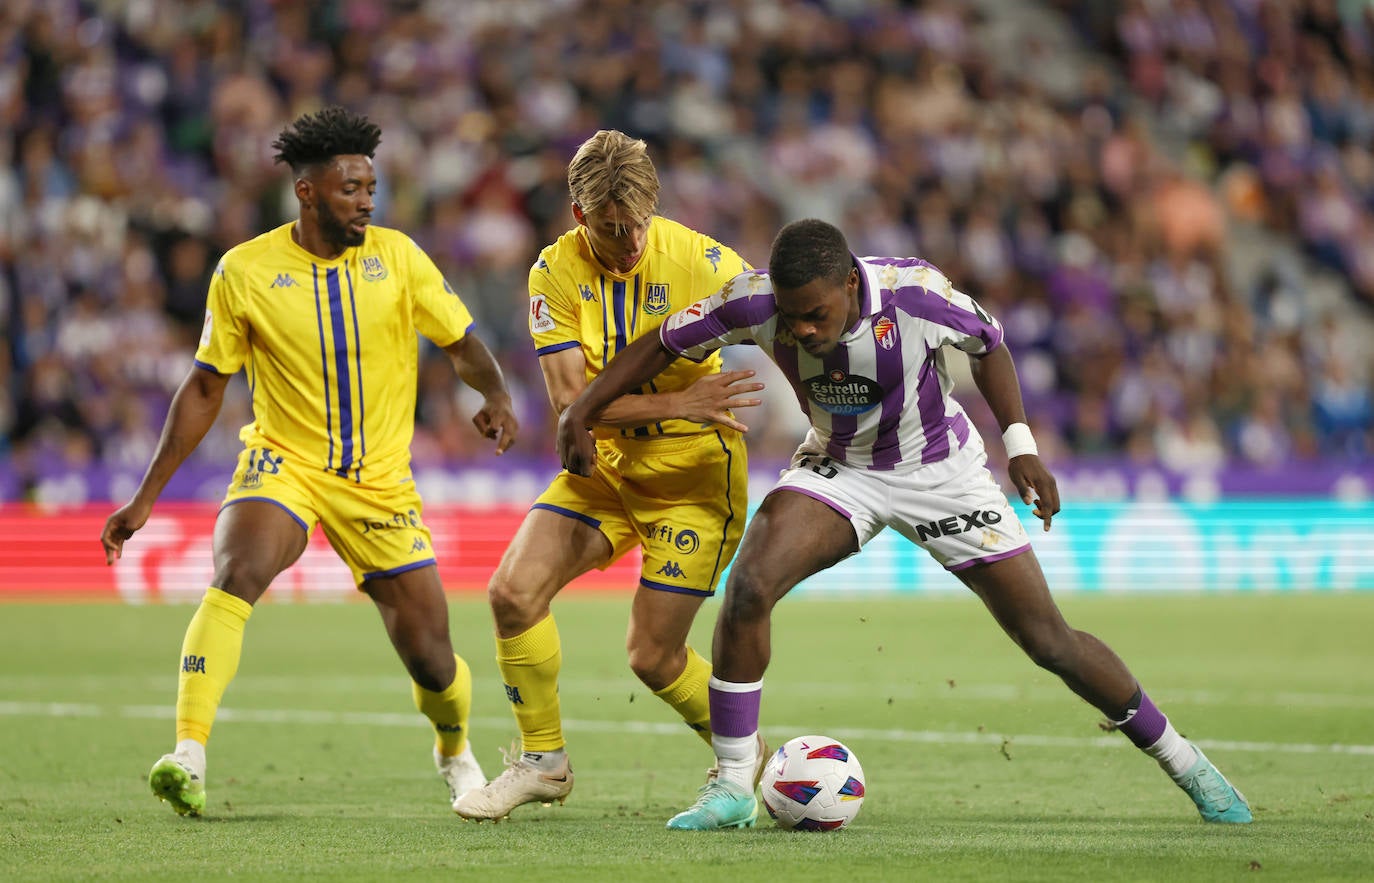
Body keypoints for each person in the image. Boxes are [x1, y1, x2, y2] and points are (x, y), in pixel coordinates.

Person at [557, 218, 1252, 829]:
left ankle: (1188, 763)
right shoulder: (754, 300)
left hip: (941, 474)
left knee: (1049, 641)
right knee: (749, 589)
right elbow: (659, 344)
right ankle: (736, 782)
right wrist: (582, 408)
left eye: (815, 315)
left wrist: (1022, 448)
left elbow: (991, 346)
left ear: (851, 288)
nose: (800, 329)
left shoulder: (915, 293)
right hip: (840, 468)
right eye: (792, 317)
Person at [100, 106, 520, 818]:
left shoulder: (400, 257)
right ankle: (189, 753)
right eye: (351, 187)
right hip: (282, 462)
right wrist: (145, 497)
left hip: (380, 480)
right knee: (237, 573)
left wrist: (497, 393)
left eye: (370, 187)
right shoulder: (246, 270)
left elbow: (462, 341)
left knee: (433, 658)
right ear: (307, 191)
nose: (366, 200)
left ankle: (454, 750)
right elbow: (205, 385)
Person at [453, 130, 766, 821]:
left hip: (693, 475)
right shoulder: (552, 274)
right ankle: (543, 761)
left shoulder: (706, 262)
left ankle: (750, 758)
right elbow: (573, 405)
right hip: (608, 466)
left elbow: (793, 328)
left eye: (638, 226)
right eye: (611, 228)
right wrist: (680, 398)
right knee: (511, 593)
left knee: (653, 656)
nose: (628, 243)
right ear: (578, 214)